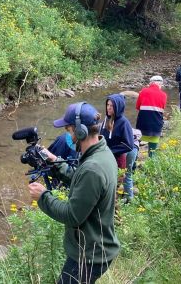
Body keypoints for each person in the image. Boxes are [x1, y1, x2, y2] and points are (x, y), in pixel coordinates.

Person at [29, 102, 120, 283]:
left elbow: (72, 216)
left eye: (69, 130)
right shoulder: (101, 153)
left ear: (80, 132)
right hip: (95, 248)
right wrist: (54, 162)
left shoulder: (93, 168)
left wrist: (43, 196)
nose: (68, 136)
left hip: (89, 256)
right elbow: (82, 182)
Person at [135, 75, 167, 157]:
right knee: (152, 151)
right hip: (156, 126)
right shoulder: (164, 95)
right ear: (160, 84)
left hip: (142, 125)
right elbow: (162, 110)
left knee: (136, 145)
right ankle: (151, 161)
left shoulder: (143, 91)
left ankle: (133, 162)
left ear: (151, 83)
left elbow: (137, 107)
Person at [100, 94, 133, 170]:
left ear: (118, 107)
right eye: (108, 105)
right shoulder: (106, 120)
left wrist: (111, 151)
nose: (108, 108)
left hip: (118, 160)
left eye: (111, 106)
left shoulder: (124, 123)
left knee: (117, 177)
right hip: (105, 157)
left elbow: (129, 145)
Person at [122, 127, 141, 201]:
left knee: (118, 173)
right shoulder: (135, 131)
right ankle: (129, 197)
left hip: (122, 149)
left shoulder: (113, 128)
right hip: (134, 148)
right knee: (128, 174)